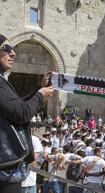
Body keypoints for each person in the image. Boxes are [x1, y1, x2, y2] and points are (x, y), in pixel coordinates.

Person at [0, 34, 53, 192]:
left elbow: (15, 107)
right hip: (4, 171)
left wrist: (38, 90)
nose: (13, 53)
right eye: (7, 48)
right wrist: (40, 96)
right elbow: (21, 113)